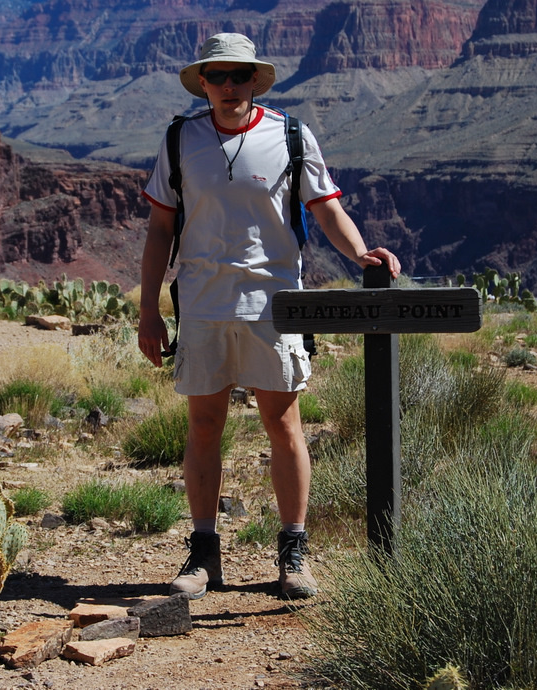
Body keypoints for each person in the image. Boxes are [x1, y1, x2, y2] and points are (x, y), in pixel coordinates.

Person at [138, 32, 401, 600]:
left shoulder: (288, 135)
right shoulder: (181, 138)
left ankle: (294, 552)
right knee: (204, 425)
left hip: (273, 304)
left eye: (239, 76)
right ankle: (204, 553)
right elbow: (160, 228)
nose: (229, 86)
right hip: (203, 303)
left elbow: (325, 208)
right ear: (202, 82)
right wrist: (148, 309)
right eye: (218, 76)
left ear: (256, 80)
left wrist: (360, 254)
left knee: (283, 426)